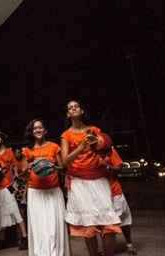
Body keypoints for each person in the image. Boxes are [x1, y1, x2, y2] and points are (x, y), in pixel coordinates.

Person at [61, 100, 121, 256]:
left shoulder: (93, 129)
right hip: (79, 182)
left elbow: (107, 149)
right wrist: (80, 148)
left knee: (108, 220)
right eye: (70, 108)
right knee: (89, 223)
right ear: (68, 114)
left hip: (99, 178)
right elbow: (65, 161)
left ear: (81, 111)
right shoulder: (66, 135)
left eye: (76, 106)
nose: (73, 108)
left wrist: (98, 143)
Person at [23, 119, 70, 256]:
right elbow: (24, 175)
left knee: (55, 226)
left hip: (53, 191)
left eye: (40, 128)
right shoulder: (27, 150)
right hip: (35, 192)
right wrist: (29, 167)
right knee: (39, 227)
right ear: (31, 132)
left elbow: (62, 168)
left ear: (45, 131)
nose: (37, 130)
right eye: (34, 128)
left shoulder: (54, 147)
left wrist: (52, 165)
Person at [0, 131, 27, 250]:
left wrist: (15, 185)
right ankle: (1, 240)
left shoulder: (10, 152)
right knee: (0, 213)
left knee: (15, 211)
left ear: (2, 139)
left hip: (8, 186)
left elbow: (15, 169)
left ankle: (24, 238)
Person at [100, 144, 137, 255]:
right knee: (104, 223)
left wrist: (107, 166)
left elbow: (119, 167)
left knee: (124, 220)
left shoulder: (108, 149)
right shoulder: (86, 152)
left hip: (114, 191)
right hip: (99, 194)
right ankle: (108, 249)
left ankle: (129, 244)